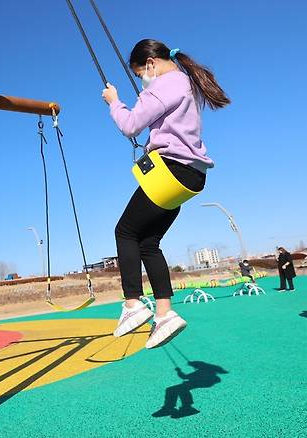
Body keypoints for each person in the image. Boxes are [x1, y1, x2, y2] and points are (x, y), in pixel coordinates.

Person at [101, 39, 230, 348]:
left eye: (139, 74)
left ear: (150, 64)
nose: (142, 80)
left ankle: (132, 304)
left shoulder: (163, 85)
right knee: (148, 243)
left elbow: (130, 125)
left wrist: (114, 101)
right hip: (191, 175)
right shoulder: (185, 82)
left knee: (125, 231)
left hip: (170, 170)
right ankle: (165, 313)